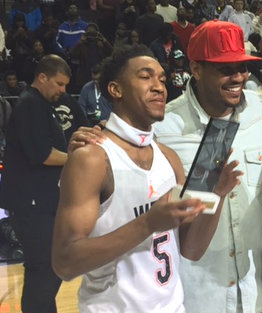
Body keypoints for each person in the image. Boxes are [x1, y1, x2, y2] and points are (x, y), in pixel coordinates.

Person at [52, 44, 242, 312]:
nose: (159, 86)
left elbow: (191, 249)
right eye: (145, 77)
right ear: (116, 89)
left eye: (162, 79)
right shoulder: (92, 158)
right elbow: (65, 263)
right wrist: (148, 223)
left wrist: (217, 193)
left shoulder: (169, 158)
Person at [153, 20, 262, 313]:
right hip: (196, 298)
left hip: (256, 294)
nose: (238, 76)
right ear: (196, 69)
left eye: (243, 67)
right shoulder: (164, 128)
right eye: (225, 69)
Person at [0, 54, 88, 313]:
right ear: (42, 77)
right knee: (46, 267)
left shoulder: (40, 104)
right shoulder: (29, 104)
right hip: (31, 203)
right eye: (59, 84)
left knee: (43, 268)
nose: (63, 91)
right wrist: (77, 158)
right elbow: (43, 155)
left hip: (39, 201)